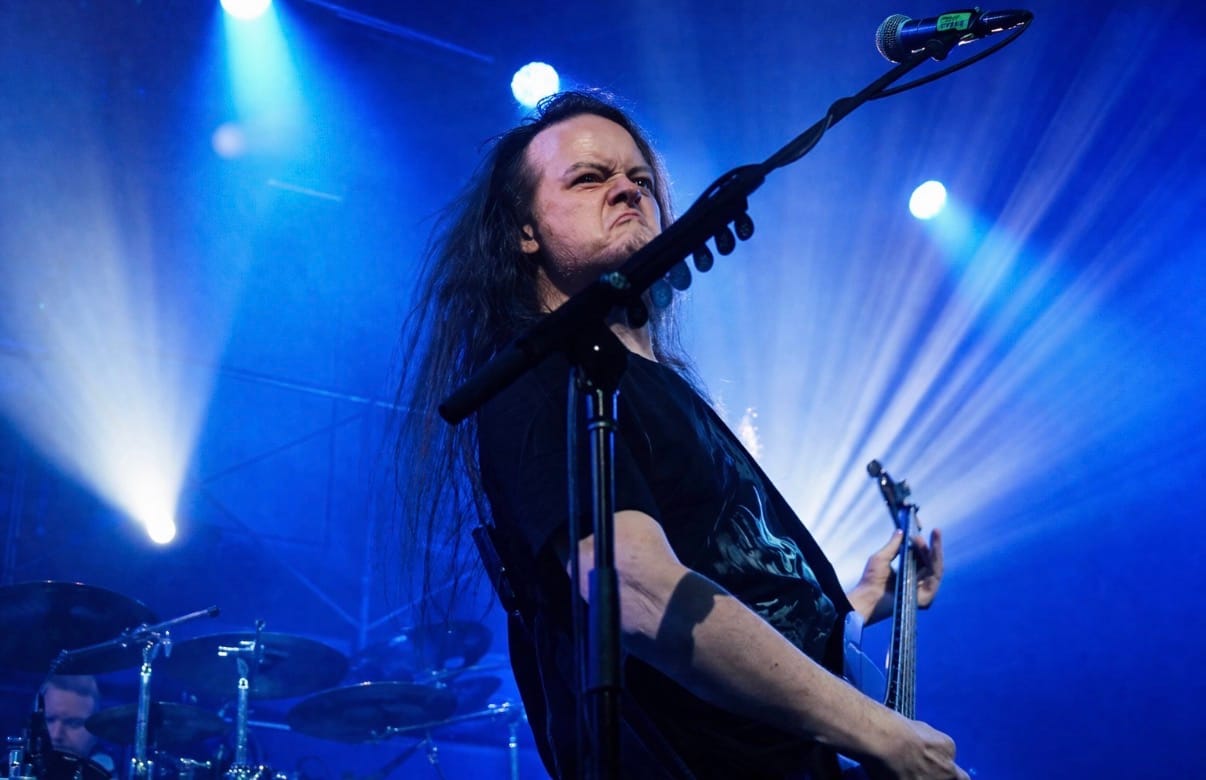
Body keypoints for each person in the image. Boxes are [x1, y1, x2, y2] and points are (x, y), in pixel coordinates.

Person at [395, 90, 965, 779]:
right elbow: (641, 594)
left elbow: (739, 588)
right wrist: (884, 734)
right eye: (589, 178)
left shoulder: (656, 385)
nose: (627, 191)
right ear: (525, 231)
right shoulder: (544, 378)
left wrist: (865, 599)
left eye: (640, 179)